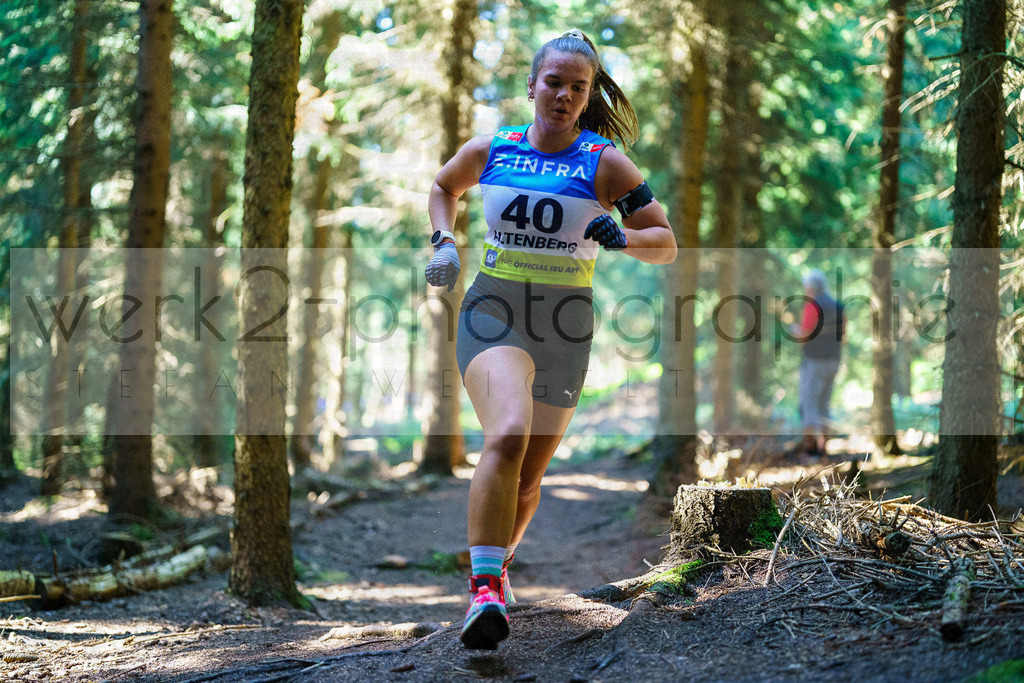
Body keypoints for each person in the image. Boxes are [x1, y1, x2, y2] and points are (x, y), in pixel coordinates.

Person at [424, 29, 676, 650]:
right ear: (532, 85)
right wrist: (444, 241)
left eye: (578, 87)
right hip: (495, 307)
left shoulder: (605, 162)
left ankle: (498, 564)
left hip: (565, 321)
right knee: (506, 433)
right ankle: (483, 591)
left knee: (531, 475)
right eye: (554, 83)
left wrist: (623, 238)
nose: (564, 95)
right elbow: (442, 188)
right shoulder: (493, 148)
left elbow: (665, 243)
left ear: (588, 97)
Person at [791, 269, 846, 456]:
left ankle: (811, 451)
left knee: (808, 403)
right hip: (834, 361)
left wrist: (794, 330)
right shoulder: (840, 306)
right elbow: (843, 336)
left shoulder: (812, 307)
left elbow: (804, 336)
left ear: (810, 286)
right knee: (824, 403)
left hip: (814, 361)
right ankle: (824, 450)